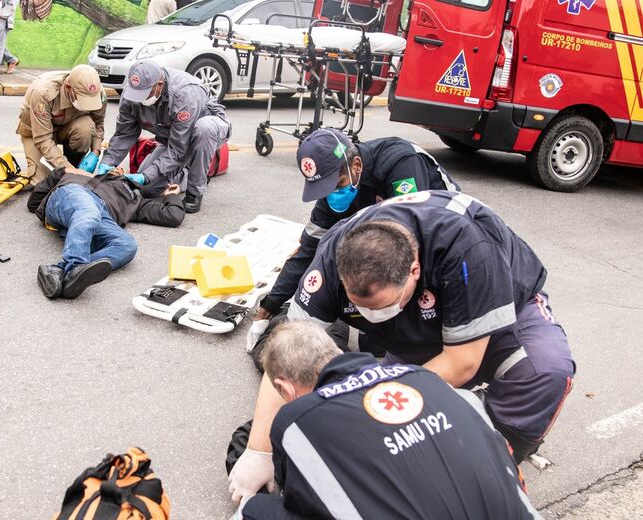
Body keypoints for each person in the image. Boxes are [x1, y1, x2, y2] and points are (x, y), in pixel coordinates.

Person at [231, 191, 576, 500]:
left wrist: (373, 406)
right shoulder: (334, 255)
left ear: (414, 270)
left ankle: (495, 450)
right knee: (379, 420)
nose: (370, 315)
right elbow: (289, 354)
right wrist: (260, 450)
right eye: (361, 307)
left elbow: (463, 362)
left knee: (545, 370)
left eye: (381, 307)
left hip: (500, 308)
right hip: (416, 332)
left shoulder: (468, 249)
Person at [231, 321, 542, 519]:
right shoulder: (426, 378)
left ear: (285, 388)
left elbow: (298, 500)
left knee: (257, 510)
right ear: (338, 351)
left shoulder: (298, 421)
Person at [248, 129, 460, 366]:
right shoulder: (334, 191)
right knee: (372, 338)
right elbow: (307, 252)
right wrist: (267, 308)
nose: (332, 195)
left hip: (436, 244)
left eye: (337, 184)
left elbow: (415, 245)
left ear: (356, 165)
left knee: (396, 342)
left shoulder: (401, 164)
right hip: (385, 240)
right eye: (326, 190)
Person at [27, 166, 185, 299]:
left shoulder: (136, 201)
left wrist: (171, 196)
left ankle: (60, 272)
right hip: (71, 195)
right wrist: (61, 171)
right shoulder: (80, 175)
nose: (118, 168)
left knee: (127, 245)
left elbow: (173, 216)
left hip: (100, 217)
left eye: (122, 169)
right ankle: (73, 266)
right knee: (89, 213)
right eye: (114, 167)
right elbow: (33, 203)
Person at [99, 60, 231, 214]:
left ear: (160, 85)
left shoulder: (184, 94)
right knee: (148, 189)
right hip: (173, 138)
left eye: (145, 93)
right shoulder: (133, 91)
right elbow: (124, 133)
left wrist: (146, 175)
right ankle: (188, 172)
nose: (139, 99)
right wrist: (107, 163)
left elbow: (178, 150)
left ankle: (195, 191)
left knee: (203, 129)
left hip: (204, 132)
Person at [16, 64, 106, 188]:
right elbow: (43, 139)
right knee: (43, 184)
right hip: (37, 133)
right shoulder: (43, 92)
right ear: (68, 88)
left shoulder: (96, 92)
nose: (87, 104)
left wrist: (95, 152)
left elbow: (98, 123)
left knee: (85, 128)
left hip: (68, 128)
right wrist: (70, 170)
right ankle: (70, 170)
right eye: (82, 99)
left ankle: (74, 165)